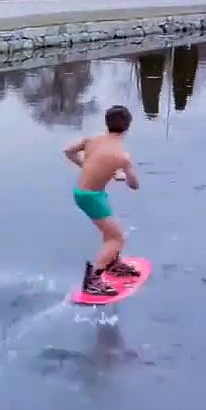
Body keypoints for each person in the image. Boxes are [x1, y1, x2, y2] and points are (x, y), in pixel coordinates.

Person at [62, 105, 142, 297]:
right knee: (117, 238)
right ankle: (94, 280)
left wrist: (86, 166)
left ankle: (113, 264)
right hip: (91, 197)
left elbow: (68, 151)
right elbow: (135, 185)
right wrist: (122, 175)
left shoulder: (93, 140)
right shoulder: (122, 156)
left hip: (87, 193)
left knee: (110, 232)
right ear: (128, 127)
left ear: (107, 123)